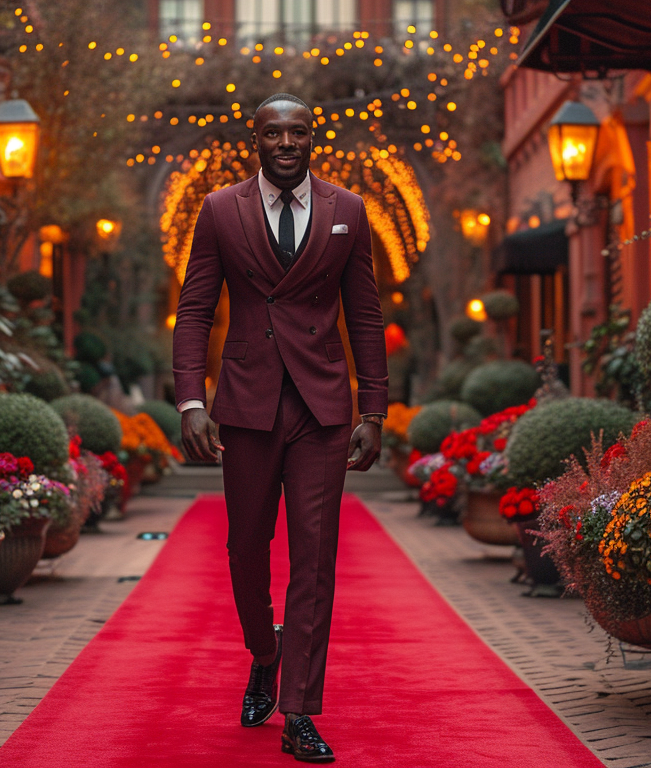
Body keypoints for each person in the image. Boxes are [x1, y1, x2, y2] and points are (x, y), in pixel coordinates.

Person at [171, 92, 387, 763]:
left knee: (315, 560)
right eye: (273, 133)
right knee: (245, 550)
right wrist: (191, 402)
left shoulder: (348, 210)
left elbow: (366, 316)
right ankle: (265, 654)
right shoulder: (218, 210)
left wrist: (375, 409)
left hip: (322, 409)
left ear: (312, 139)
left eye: (298, 132)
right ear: (256, 140)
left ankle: (299, 712)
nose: (286, 143)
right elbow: (195, 309)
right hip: (247, 404)